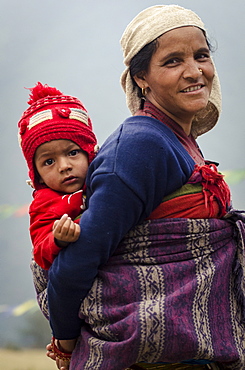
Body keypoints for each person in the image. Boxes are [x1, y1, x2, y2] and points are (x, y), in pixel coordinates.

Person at [31, 5, 245, 370]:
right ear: (141, 77)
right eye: (173, 61)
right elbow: (76, 262)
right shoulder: (141, 146)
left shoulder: (179, 139)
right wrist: (66, 344)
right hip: (146, 359)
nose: (195, 71)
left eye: (201, 55)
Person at [18, 82, 98, 270]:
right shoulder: (44, 204)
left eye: (72, 153)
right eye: (48, 162)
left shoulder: (108, 176)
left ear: (90, 152)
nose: (64, 167)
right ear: (37, 176)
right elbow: (40, 252)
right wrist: (58, 239)